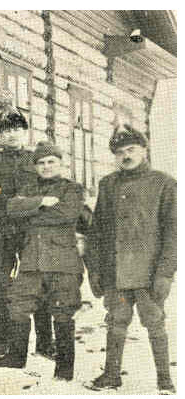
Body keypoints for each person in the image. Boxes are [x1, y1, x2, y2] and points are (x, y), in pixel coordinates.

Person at [84, 126, 176, 394]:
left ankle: (164, 379)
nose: (126, 156)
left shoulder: (165, 183)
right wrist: (96, 271)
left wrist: (165, 273)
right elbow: (97, 232)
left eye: (131, 150)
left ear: (144, 150)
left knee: (154, 322)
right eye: (120, 152)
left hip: (148, 274)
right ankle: (111, 375)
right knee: (116, 321)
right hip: (115, 273)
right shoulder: (108, 184)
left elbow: (174, 233)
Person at [0, 142, 84, 382]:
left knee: (63, 312)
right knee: (18, 305)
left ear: (61, 164)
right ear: (36, 166)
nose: (46, 166)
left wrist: (31, 213)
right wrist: (40, 202)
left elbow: (67, 214)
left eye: (51, 161)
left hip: (62, 262)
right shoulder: (30, 188)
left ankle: (64, 369)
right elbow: (11, 207)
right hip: (31, 261)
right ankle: (16, 358)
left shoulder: (72, 189)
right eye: (41, 162)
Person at [0, 107, 55, 360]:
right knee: (3, 288)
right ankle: (1, 343)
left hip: (32, 234)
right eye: (6, 130)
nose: (12, 134)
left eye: (17, 129)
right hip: (0, 235)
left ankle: (45, 343)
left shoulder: (36, 160)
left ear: (25, 132)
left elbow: (51, 195)